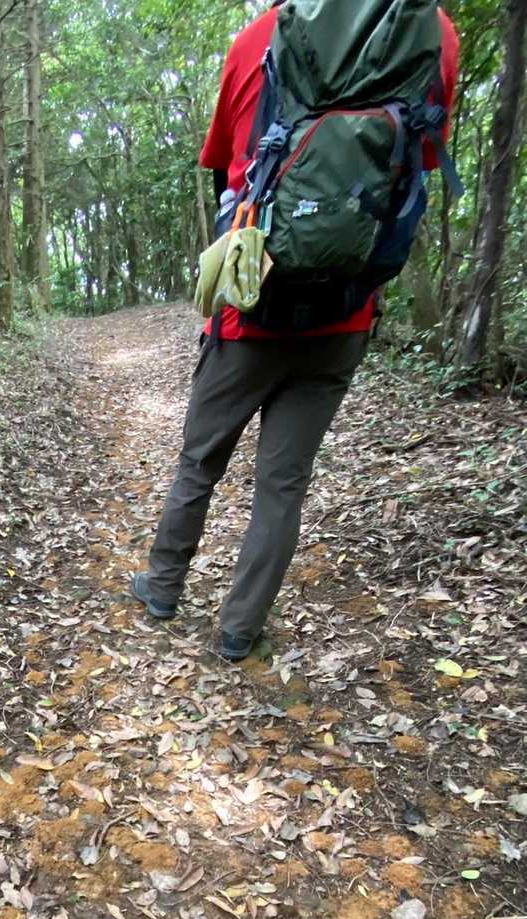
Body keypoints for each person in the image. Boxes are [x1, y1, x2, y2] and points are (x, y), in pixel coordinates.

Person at [130, 0, 459, 660]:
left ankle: (162, 588)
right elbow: (419, 162)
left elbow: (225, 164)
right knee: (282, 484)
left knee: (200, 462)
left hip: (250, 309)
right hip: (345, 313)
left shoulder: (261, 37)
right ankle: (239, 629)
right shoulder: (430, 32)